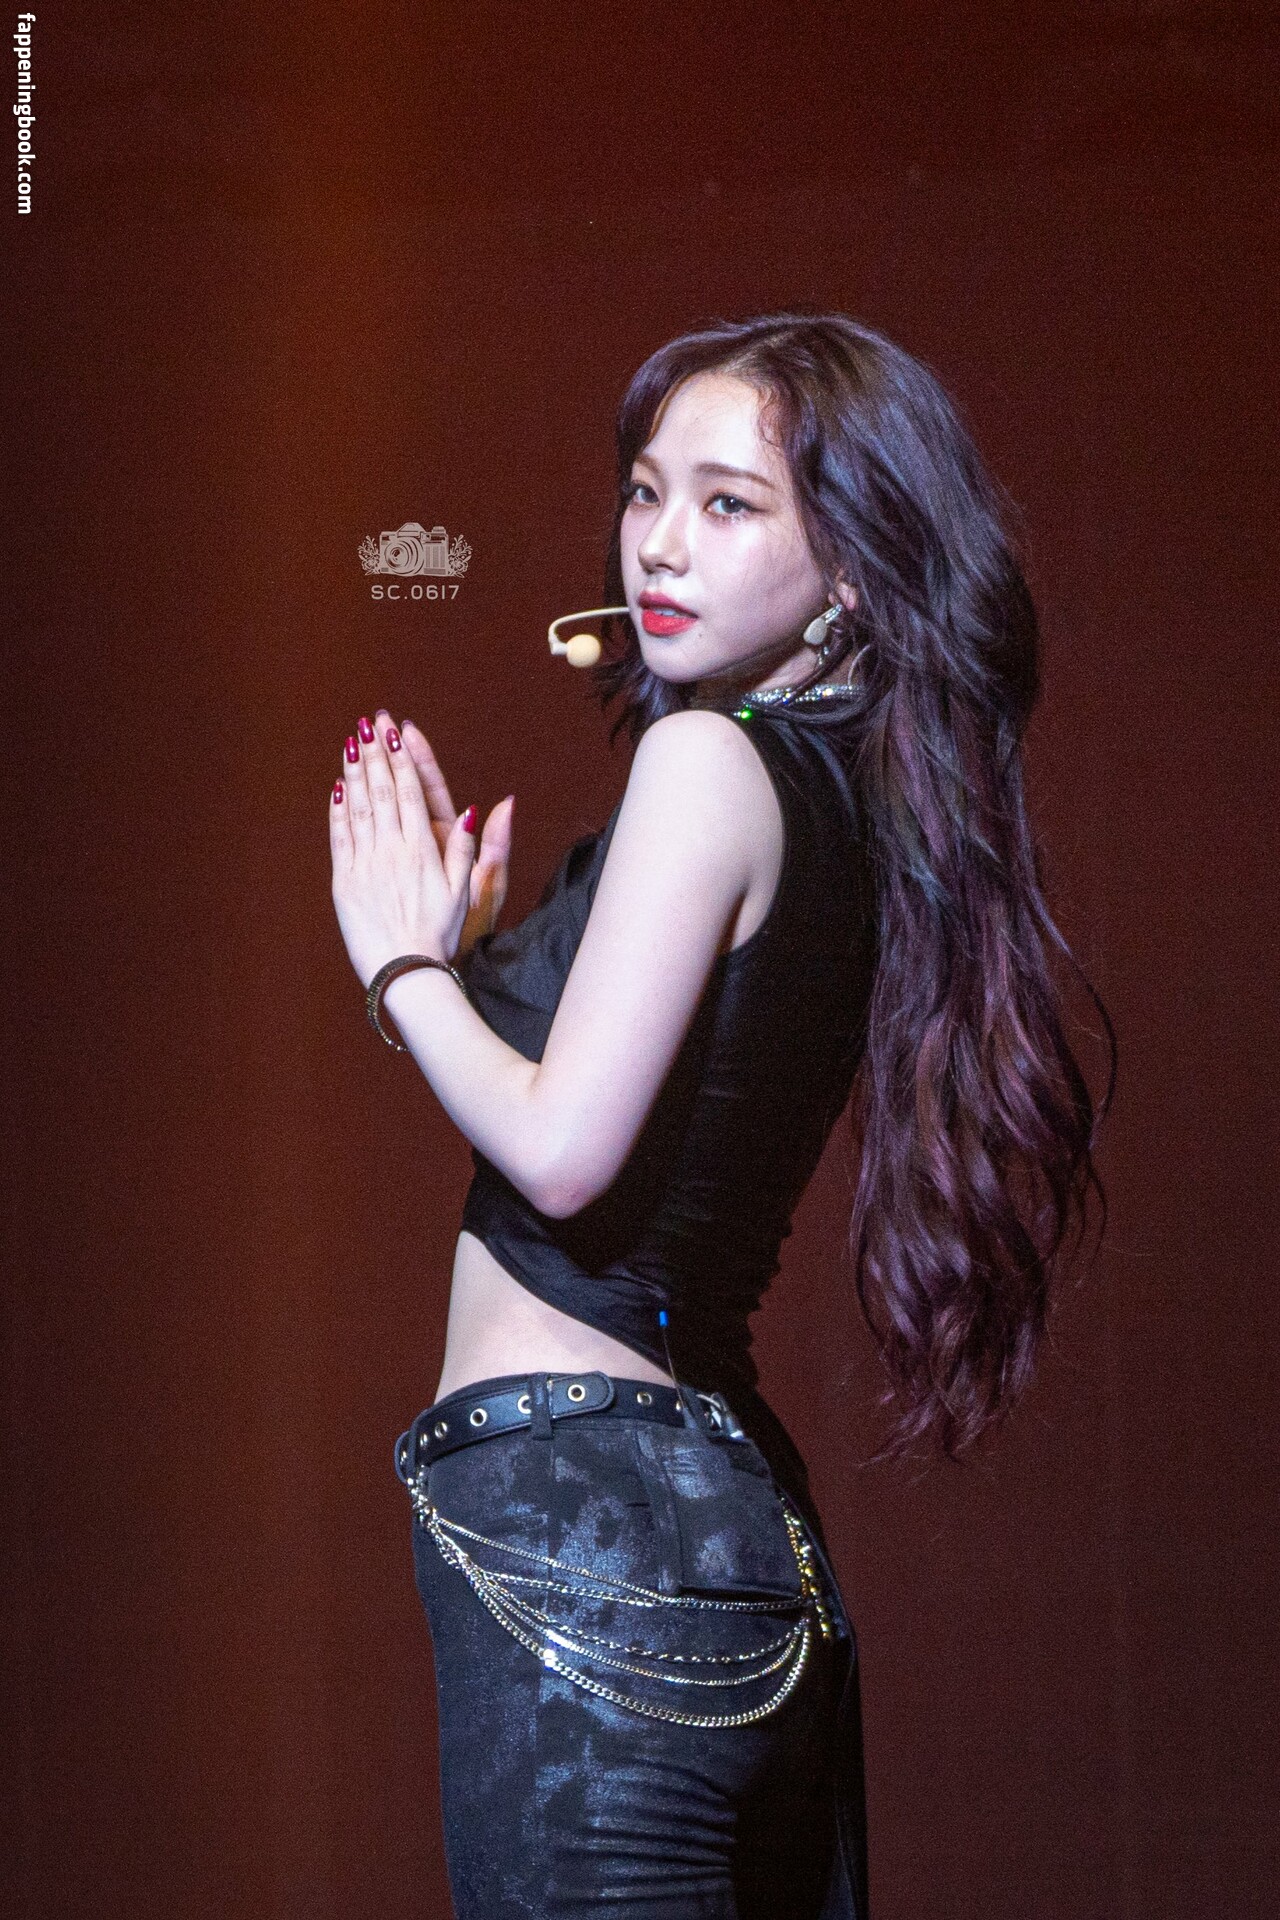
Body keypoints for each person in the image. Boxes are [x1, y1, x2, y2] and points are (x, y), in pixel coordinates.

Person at [327, 312, 1116, 1920]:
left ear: (854, 566)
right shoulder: (861, 805)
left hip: (582, 1520)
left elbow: (563, 1154)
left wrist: (398, 962)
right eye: (645, 490)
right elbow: (664, 1125)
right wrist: (487, 972)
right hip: (738, 1534)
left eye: (730, 503)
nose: (661, 542)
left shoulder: (703, 763)